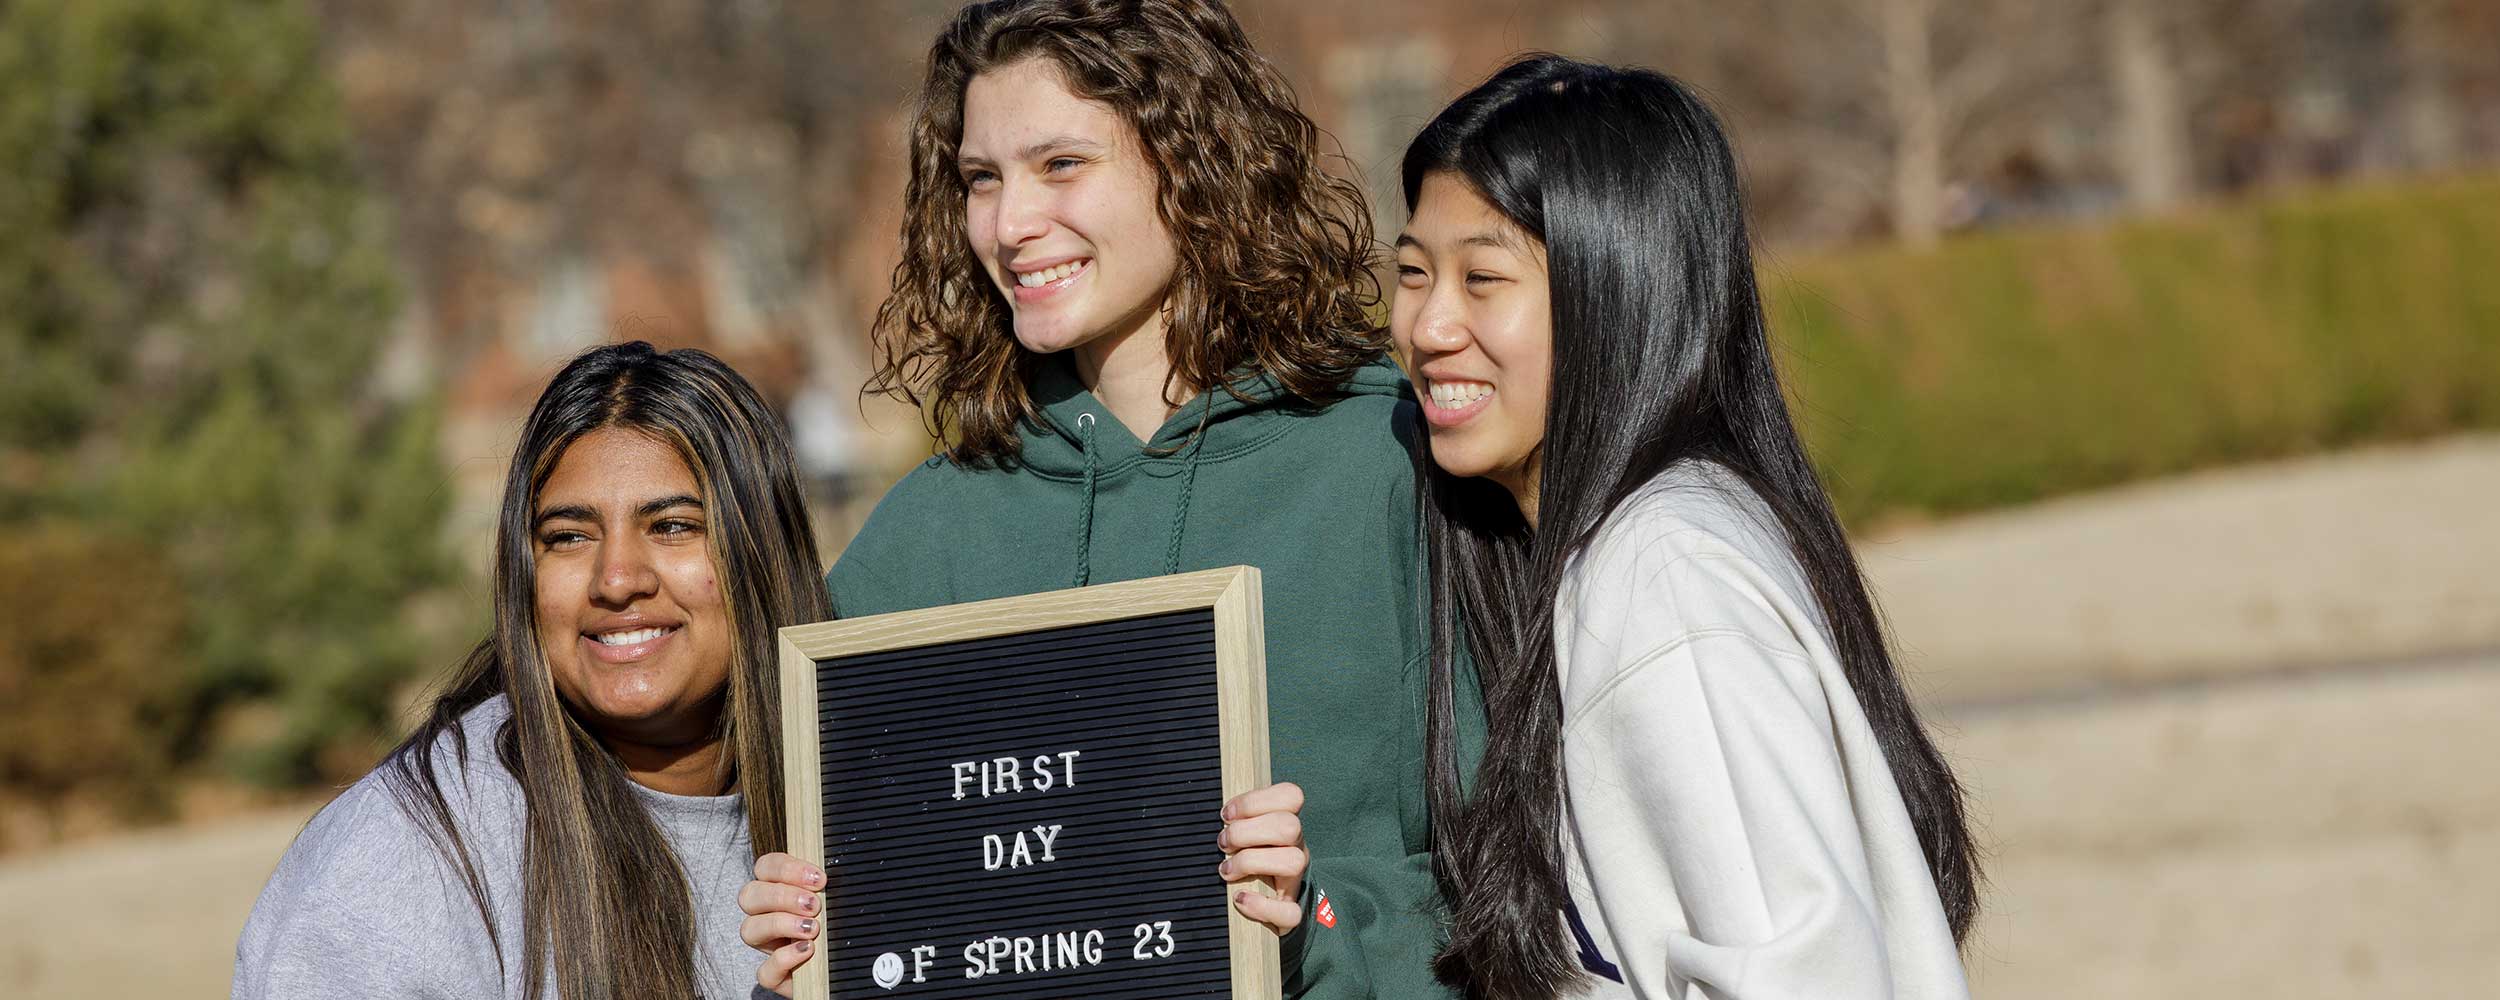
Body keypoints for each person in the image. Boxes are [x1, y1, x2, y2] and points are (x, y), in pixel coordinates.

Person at [735, 2, 1477, 997]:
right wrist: (810, 948)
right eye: (980, 180)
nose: (1009, 224)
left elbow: (1523, 887)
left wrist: (1318, 921)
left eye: (1060, 165)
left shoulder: (1396, 466)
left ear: (1193, 159)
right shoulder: (920, 544)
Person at [1390, 56, 1982, 999]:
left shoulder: (1660, 572)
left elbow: (1803, 977)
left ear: (1617, 290)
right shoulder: (1666, 530)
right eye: (1414, 273)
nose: (1428, 326)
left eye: (1484, 277)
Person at [233, 342, 831, 1000]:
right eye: (569, 537)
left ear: (762, 554)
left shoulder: (868, 807)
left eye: (672, 526)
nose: (617, 579)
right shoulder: (399, 861)